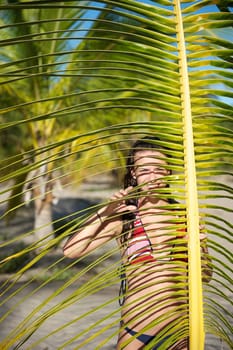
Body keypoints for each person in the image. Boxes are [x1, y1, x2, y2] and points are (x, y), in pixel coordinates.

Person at [63, 137, 211, 350]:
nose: (152, 177)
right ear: (133, 173)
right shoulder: (125, 218)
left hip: (179, 331)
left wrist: (199, 250)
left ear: (168, 171)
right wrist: (106, 210)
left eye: (159, 169)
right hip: (137, 331)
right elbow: (71, 250)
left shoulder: (186, 217)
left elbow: (205, 276)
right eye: (145, 170)